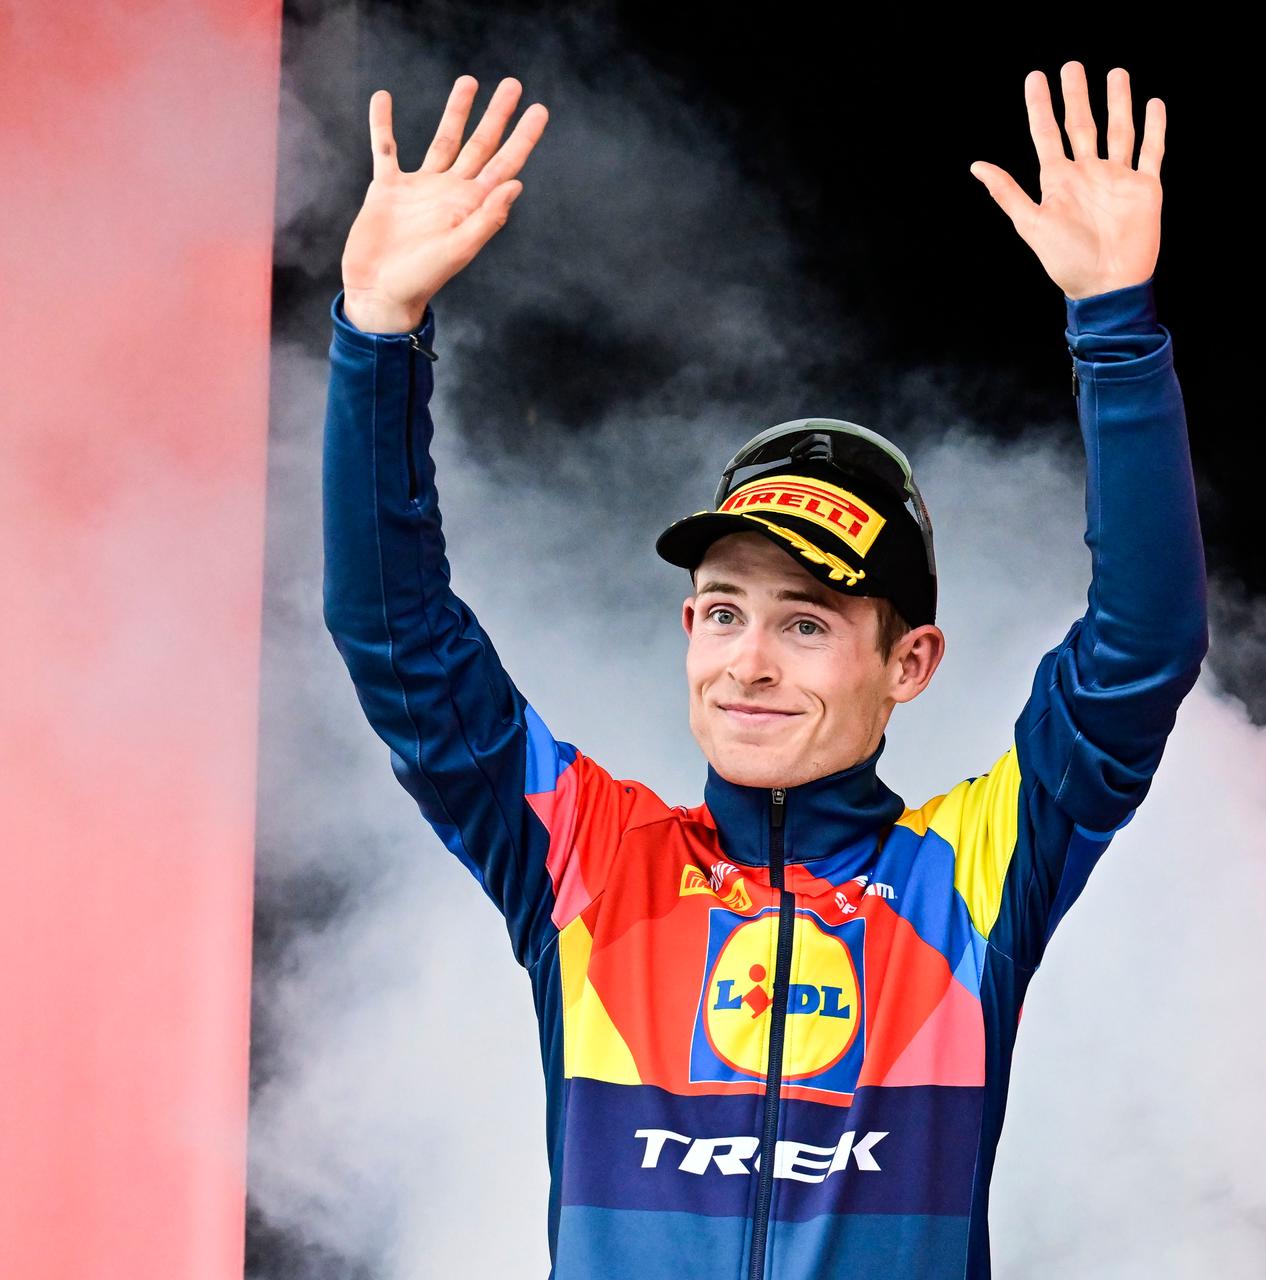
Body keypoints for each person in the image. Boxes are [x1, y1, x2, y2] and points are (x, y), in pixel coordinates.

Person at [321, 61, 1205, 1280]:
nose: (748, 661)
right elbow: (397, 638)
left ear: (910, 662)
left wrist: (1113, 322)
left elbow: (1141, 651)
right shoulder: (589, 860)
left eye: (805, 622)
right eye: (723, 610)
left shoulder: (976, 875)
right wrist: (377, 330)